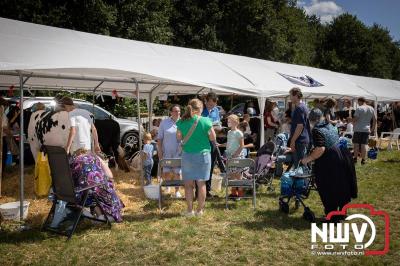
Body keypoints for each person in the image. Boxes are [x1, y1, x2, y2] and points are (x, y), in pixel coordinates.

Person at [301, 109, 357, 221]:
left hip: (331, 160)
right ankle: (341, 213)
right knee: (342, 185)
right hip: (342, 155)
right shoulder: (331, 125)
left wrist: (307, 159)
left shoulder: (317, 130)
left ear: (312, 120)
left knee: (329, 187)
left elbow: (320, 149)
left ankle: (333, 217)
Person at [177, 99, 216, 217]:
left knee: (188, 185)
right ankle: (199, 211)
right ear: (200, 108)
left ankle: (189, 211)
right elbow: (212, 137)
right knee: (201, 184)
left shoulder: (182, 121)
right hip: (203, 156)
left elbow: (179, 137)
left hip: (188, 156)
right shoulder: (206, 121)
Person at [70, 150, 125, 222]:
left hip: (80, 194)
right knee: (101, 191)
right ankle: (101, 217)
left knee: (92, 195)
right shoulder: (95, 157)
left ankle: (89, 215)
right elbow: (110, 175)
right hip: (98, 190)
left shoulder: (73, 161)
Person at [157, 104, 182, 198]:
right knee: (166, 171)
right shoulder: (164, 123)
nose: (177, 113)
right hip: (166, 151)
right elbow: (159, 139)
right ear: (171, 112)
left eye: (179, 111)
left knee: (177, 172)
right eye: (175, 111)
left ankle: (177, 191)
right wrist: (159, 151)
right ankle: (168, 187)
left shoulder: (183, 122)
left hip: (179, 152)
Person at [201, 92, 223, 198]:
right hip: (202, 143)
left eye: (213, 104)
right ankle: (200, 190)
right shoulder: (201, 110)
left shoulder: (216, 110)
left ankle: (208, 190)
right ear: (206, 101)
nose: (211, 106)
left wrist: (213, 127)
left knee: (210, 166)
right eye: (210, 104)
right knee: (202, 166)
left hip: (213, 141)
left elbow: (218, 125)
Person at [218, 115, 244, 198]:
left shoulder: (239, 133)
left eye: (230, 121)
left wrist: (236, 155)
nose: (228, 122)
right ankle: (233, 194)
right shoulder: (229, 132)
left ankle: (240, 194)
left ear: (236, 122)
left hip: (237, 157)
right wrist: (220, 144)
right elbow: (229, 143)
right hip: (230, 157)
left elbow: (242, 146)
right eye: (228, 121)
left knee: (238, 175)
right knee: (232, 175)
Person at [288, 87, 311, 168]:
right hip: (302, 140)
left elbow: (300, 127)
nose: (290, 97)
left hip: (300, 141)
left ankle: (304, 181)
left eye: (290, 95)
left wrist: (292, 141)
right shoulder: (302, 107)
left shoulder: (300, 108)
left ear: (296, 96)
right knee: (302, 165)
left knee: (300, 166)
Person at [352, 97, 376, 165]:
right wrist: (372, 129)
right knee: (364, 145)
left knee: (356, 144)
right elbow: (375, 119)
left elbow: (356, 119)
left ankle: (355, 159)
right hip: (366, 129)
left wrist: (350, 120)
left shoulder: (359, 108)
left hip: (358, 129)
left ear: (360, 101)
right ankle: (363, 160)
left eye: (358, 102)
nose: (357, 103)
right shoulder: (371, 108)